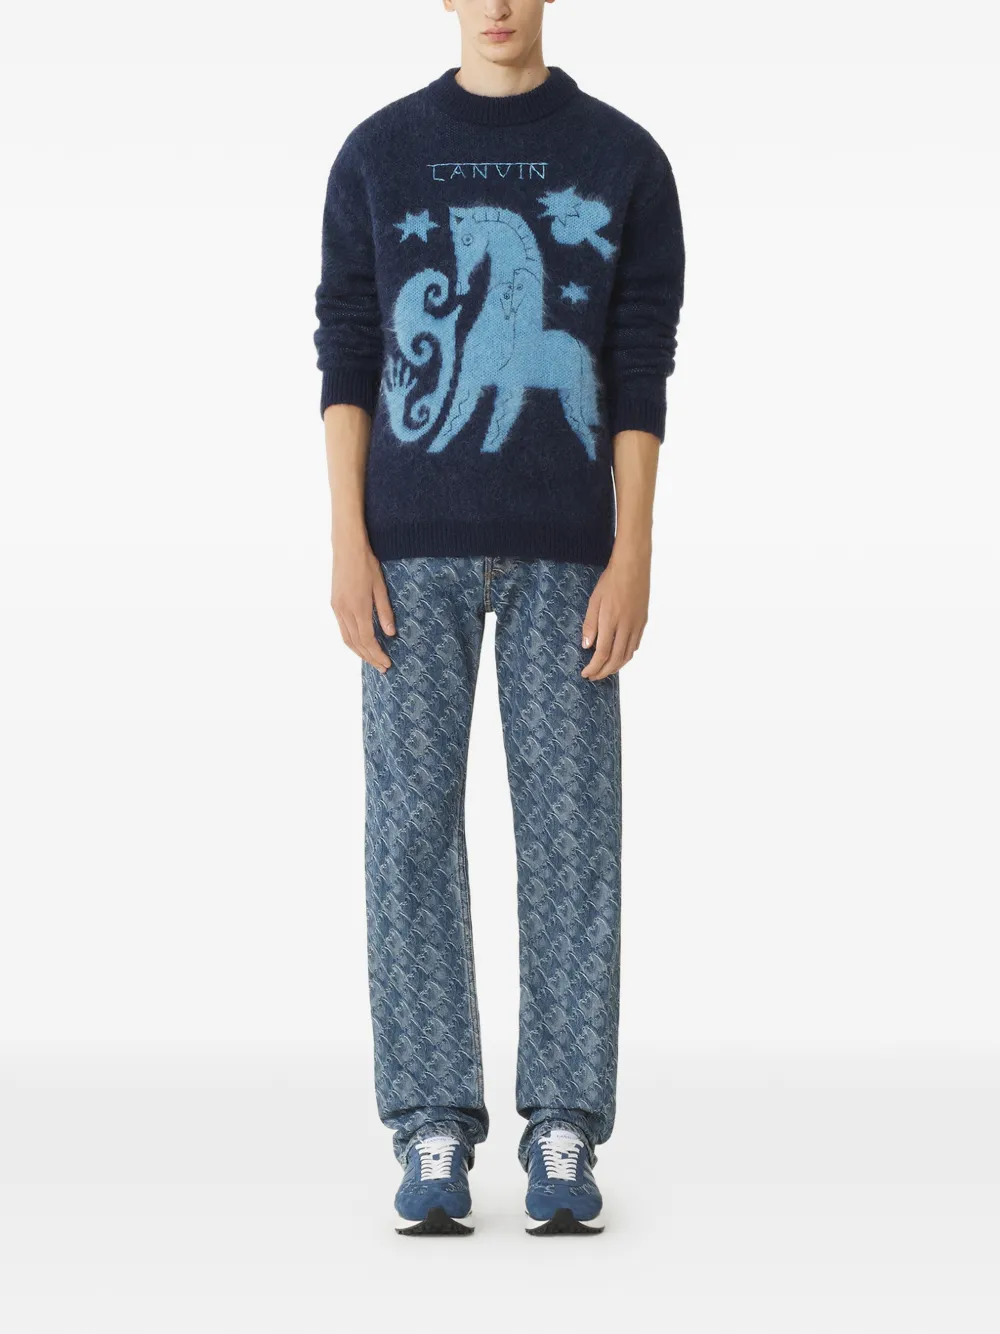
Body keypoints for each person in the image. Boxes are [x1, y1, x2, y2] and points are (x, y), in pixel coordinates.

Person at [313, 0, 684, 1236]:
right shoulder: (378, 153)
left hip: (569, 557)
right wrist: (346, 537)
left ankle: (564, 1125)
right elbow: (348, 348)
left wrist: (632, 549)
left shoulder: (623, 157)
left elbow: (638, 365)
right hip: (407, 553)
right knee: (410, 830)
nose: (498, 3)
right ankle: (430, 1120)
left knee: (573, 838)